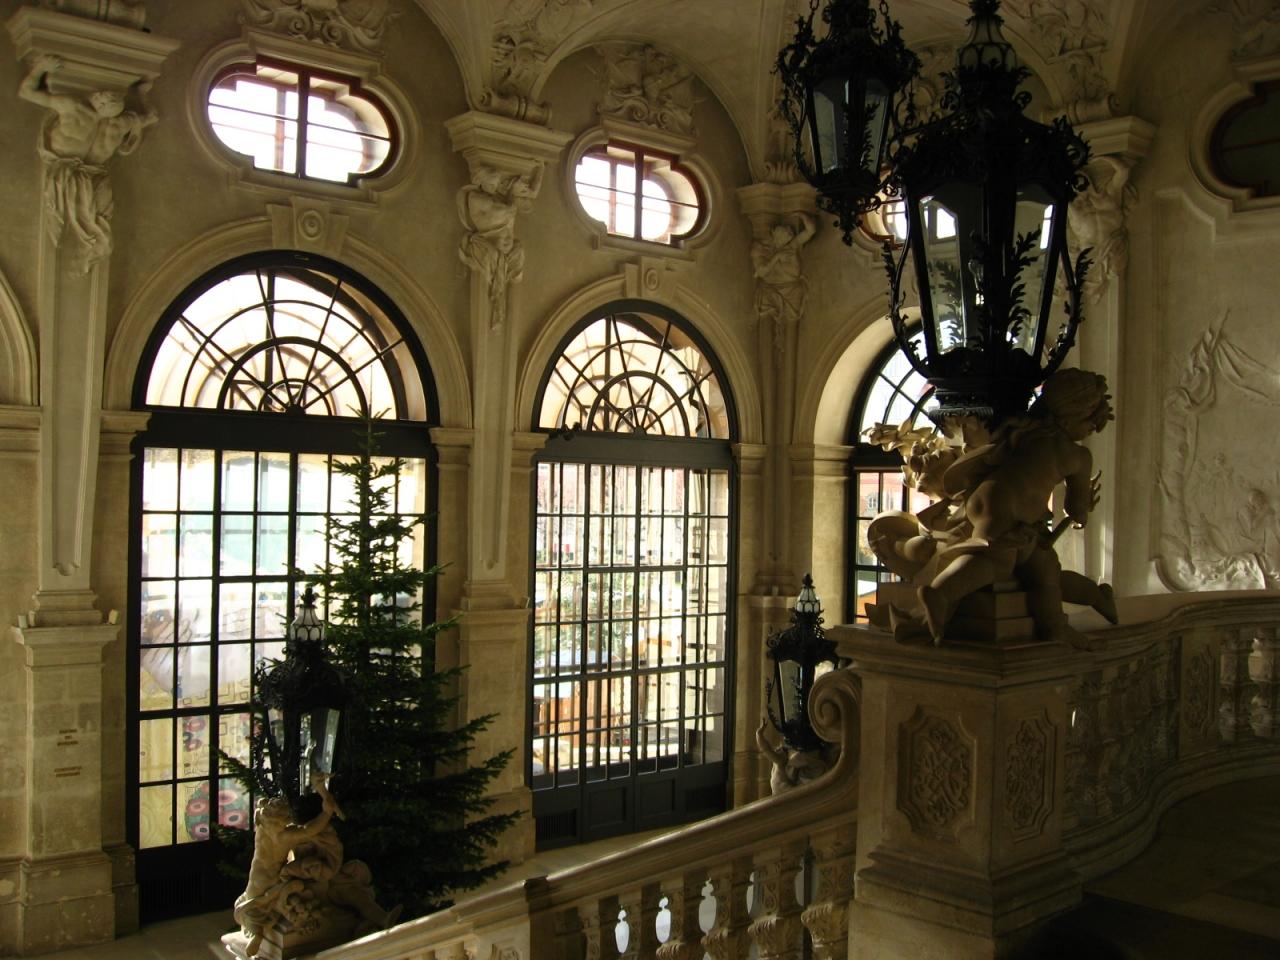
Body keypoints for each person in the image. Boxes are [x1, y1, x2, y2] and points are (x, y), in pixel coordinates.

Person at [918, 369, 1119, 648]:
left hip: (984, 499)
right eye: (1089, 425)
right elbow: (1076, 508)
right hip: (1008, 511)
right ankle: (941, 592)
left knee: (1043, 567)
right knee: (998, 561)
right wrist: (1083, 511)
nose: (1088, 433)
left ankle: (1075, 613)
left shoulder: (1024, 431)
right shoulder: (1077, 455)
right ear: (1073, 417)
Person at [17, 54, 157, 261]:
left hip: (91, 175)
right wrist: (141, 94)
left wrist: (41, 69)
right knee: (76, 230)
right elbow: (152, 116)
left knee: (95, 231)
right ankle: (80, 258)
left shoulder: (95, 114)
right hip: (71, 173)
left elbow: (27, 91)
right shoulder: (112, 119)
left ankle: (84, 259)